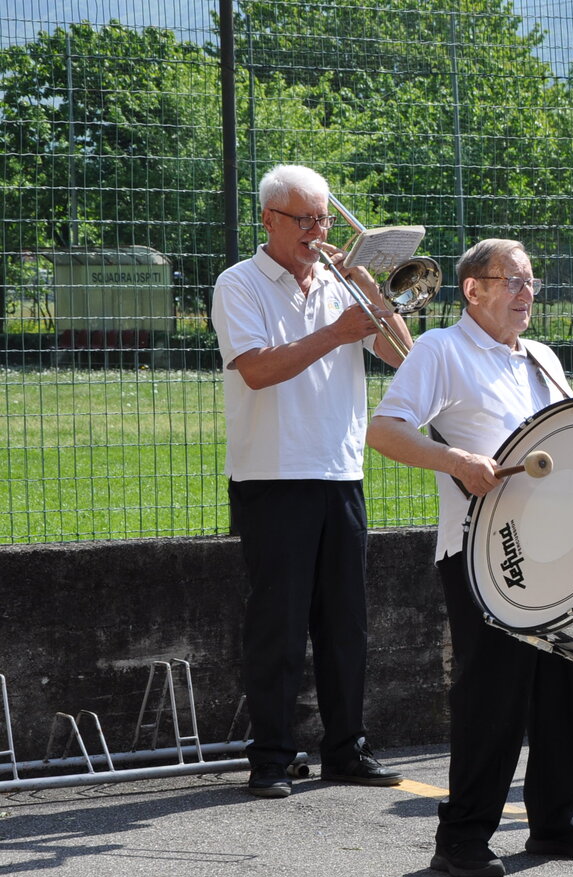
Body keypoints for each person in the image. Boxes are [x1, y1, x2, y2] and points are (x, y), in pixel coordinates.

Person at [367, 238, 573, 877]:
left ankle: (556, 820)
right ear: (473, 289)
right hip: (482, 553)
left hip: (555, 551)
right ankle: (462, 835)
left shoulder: (541, 357)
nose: (526, 292)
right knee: (492, 693)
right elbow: (384, 429)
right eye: (512, 280)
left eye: (531, 280)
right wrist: (457, 461)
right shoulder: (440, 350)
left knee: (558, 685)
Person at [211, 164, 409, 798]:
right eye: (304, 220)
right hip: (273, 473)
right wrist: (337, 332)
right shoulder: (238, 283)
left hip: (340, 469)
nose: (318, 231)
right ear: (269, 220)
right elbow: (257, 370)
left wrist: (372, 292)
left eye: (323, 219)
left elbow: (402, 355)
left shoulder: (339, 282)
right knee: (278, 623)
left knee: (346, 623)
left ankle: (347, 748)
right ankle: (270, 757)